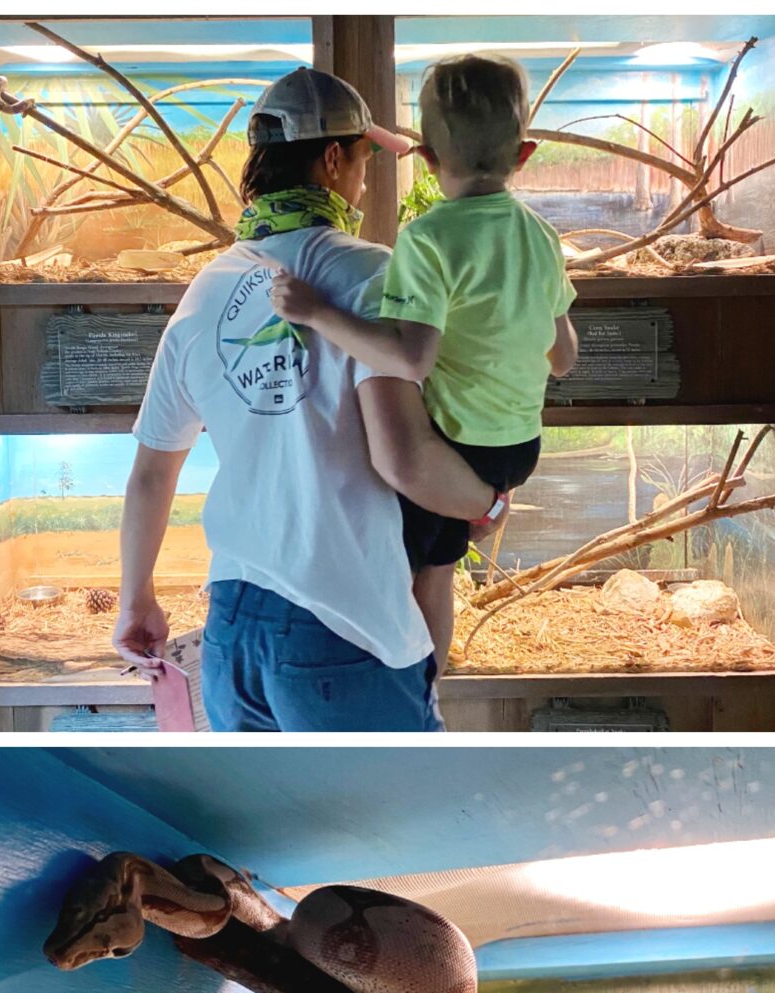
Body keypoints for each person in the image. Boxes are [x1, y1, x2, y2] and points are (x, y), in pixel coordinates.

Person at [113, 66, 499, 731]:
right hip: (340, 624)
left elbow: (152, 471)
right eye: (362, 159)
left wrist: (136, 597)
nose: (365, 176)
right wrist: (486, 500)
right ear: (331, 160)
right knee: (389, 822)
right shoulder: (373, 275)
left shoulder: (205, 291)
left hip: (232, 633)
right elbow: (404, 457)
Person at [270, 53, 579, 671]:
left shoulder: (427, 239)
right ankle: (429, 691)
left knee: (413, 575)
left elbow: (410, 360)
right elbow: (564, 356)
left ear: (429, 160)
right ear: (525, 154)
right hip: (519, 447)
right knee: (437, 573)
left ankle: (410, 688)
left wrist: (318, 313)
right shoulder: (542, 235)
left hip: (456, 449)